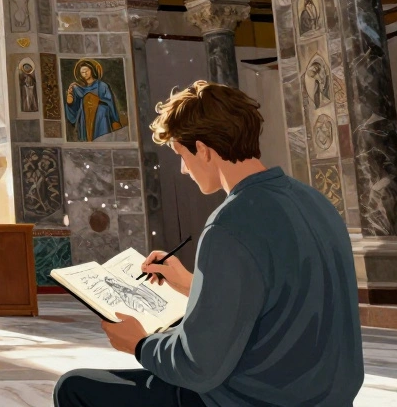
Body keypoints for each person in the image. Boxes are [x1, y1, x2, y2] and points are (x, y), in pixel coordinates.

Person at [53, 81, 363, 407]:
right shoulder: (314, 202)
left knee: (73, 388)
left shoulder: (230, 224)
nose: (184, 170)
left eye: (182, 156)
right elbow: (279, 301)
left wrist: (141, 344)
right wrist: (192, 284)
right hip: (321, 397)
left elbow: (198, 368)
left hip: (252, 399)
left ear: (203, 149)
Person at [64, 59, 121, 141]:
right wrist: (70, 101)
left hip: (100, 116)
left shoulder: (102, 86)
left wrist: (114, 120)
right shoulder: (78, 88)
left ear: (92, 70)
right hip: (85, 118)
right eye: (82, 72)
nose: (85, 74)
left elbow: (110, 102)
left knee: (102, 138)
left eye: (86, 71)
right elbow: (75, 107)